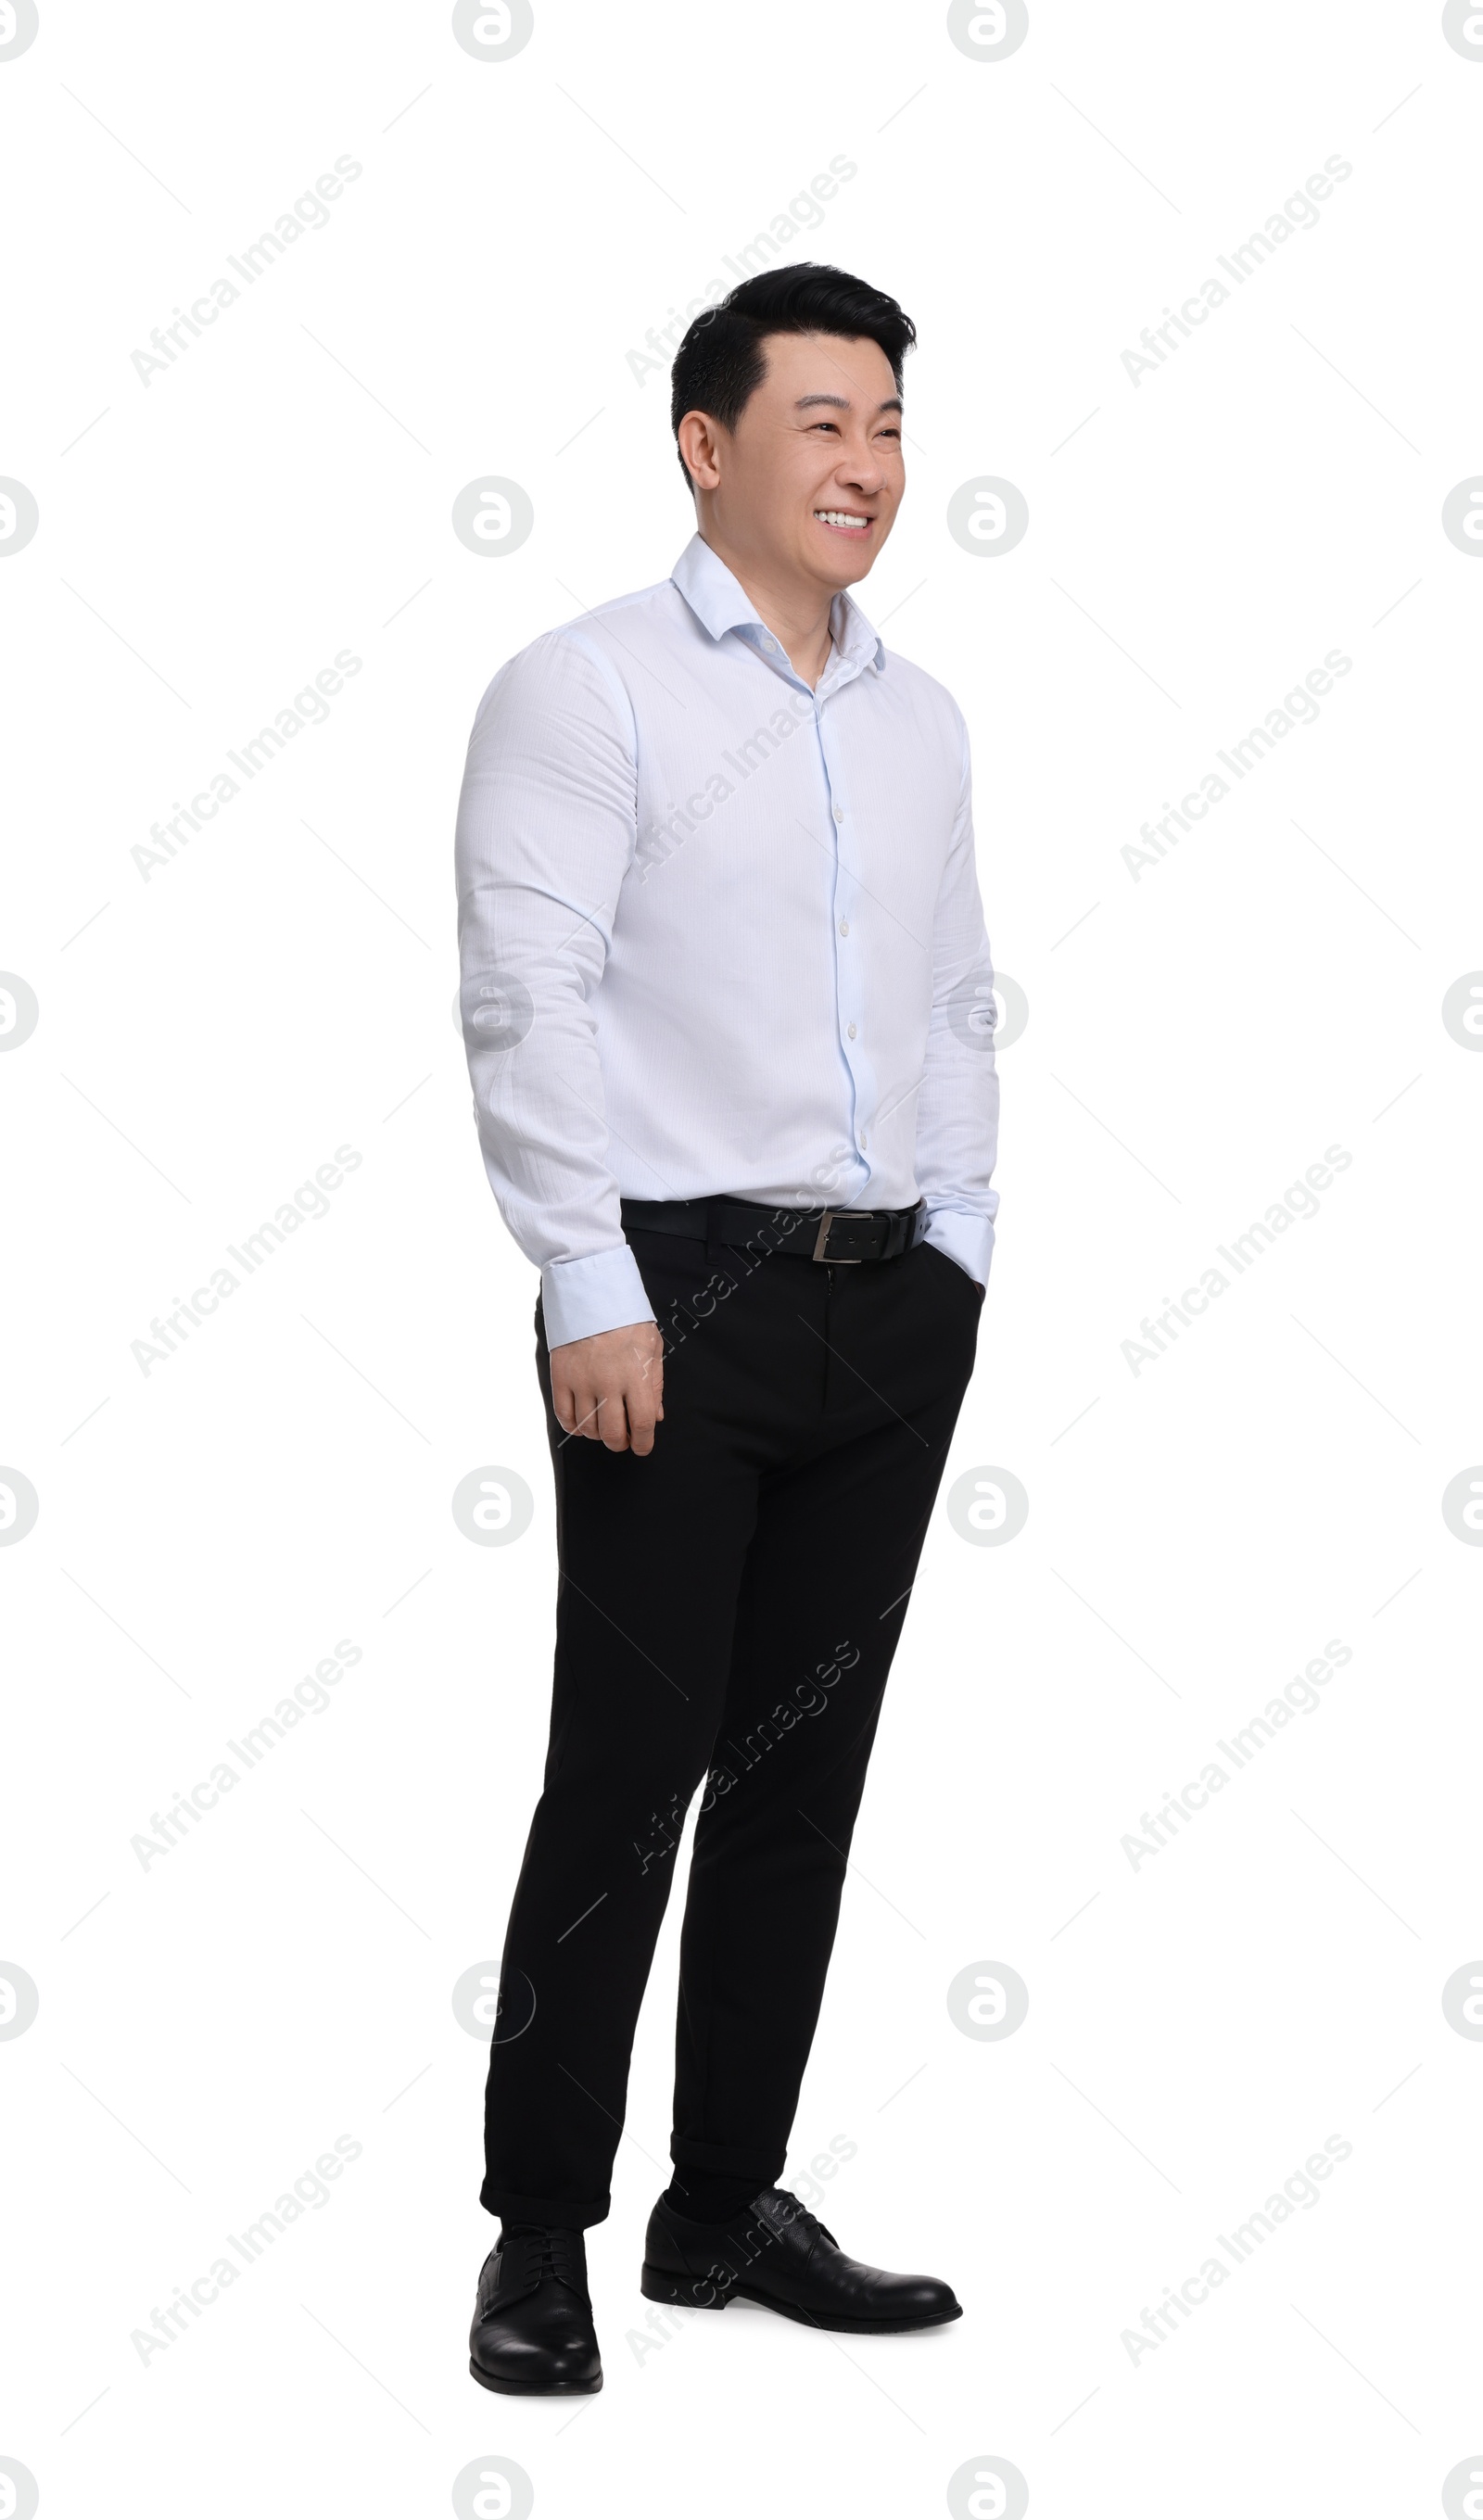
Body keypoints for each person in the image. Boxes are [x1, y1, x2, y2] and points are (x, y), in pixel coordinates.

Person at [454, 261, 1000, 2394]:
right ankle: (537, 2231)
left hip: (890, 1307)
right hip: (667, 1300)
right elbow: (524, 991)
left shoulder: (919, 711)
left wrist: (959, 1241)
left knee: (804, 1777)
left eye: (883, 425)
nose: (863, 465)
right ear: (706, 447)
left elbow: (954, 995)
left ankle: (722, 2201)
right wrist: (583, 1274)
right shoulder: (581, 690)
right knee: (625, 1774)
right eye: (818, 424)